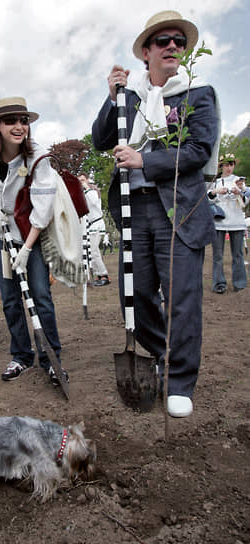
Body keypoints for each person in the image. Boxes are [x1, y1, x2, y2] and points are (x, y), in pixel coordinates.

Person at [92, 10, 220, 417]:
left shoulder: (198, 96)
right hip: (136, 209)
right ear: (145, 52)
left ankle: (180, 380)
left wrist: (145, 162)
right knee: (135, 293)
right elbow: (100, 140)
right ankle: (164, 355)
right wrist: (112, 98)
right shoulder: (129, 100)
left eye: (179, 42)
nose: (172, 47)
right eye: (163, 40)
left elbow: (198, 152)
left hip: (178, 208)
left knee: (182, 297)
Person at [0, 96, 68, 385]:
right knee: (11, 298)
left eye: (23, 121)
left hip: (30, 229)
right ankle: (21, 356)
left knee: (40, 295)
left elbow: (43, 206)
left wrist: (26, 248)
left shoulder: (37, 157)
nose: (19, 126)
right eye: (10, 121)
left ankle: (51, 359)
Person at [208, 154, 249, 293]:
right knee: (218, 256)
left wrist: (240, 192)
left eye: (231, 164)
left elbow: (246, 201)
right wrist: (216, 191)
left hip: (236, 221)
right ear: (221, 166)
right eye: (226, 164)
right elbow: (208, 200)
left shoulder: (239, 181)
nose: (229, 167)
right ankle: (219, 285)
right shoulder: (215, 181)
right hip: (219, 222)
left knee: (238, 254)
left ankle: (240, 283)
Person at [78, 173, 110, 286]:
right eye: (79, 181)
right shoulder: (84, 194)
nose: (81, 182)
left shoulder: (93, 192)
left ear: (87, 180)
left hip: (96, 224)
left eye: (83, 180)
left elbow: (93, 201)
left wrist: (86, 187)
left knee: (94, 250)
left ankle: (104, 275)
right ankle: (99, 275)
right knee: (90, 251)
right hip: (89, 225)